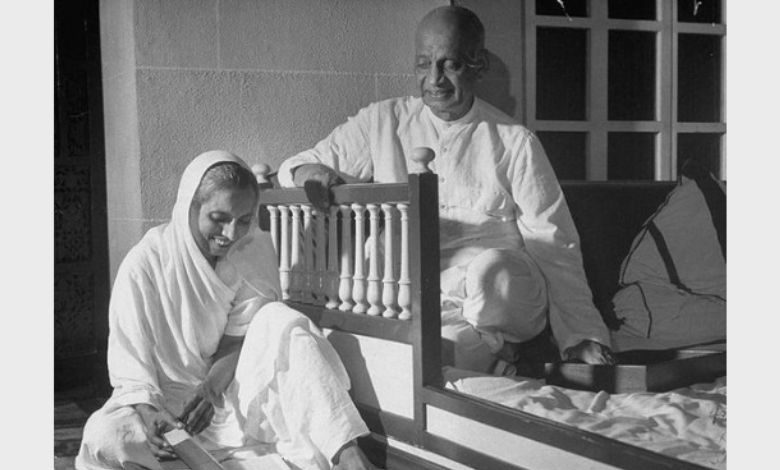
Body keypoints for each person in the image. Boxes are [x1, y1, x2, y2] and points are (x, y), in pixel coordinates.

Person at [276, 6, 614, 373]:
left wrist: (582, 335)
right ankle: (497, 354)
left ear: (479, 65)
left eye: (450, 64)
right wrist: (311, 173)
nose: (435, 79)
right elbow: (298, 165)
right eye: (424, 64)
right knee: (422, 339)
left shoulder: (515, 141)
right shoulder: (383, 120)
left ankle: (499, 346)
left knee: (493, 274)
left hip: (499, 301)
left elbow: (554, 242)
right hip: (417, 299)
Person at [76, 151, 378, 470]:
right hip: (166, 407)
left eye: (244, 220)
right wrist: (150, 414)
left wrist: (210, 391)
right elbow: (130, 360)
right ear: (190, 206)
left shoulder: (253, 249)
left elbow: (239, 338)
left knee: (282, 320)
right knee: (106, 435)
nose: (231, 234)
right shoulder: (146, 263)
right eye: (219, 218)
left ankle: (348, 455)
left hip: (228, 396)